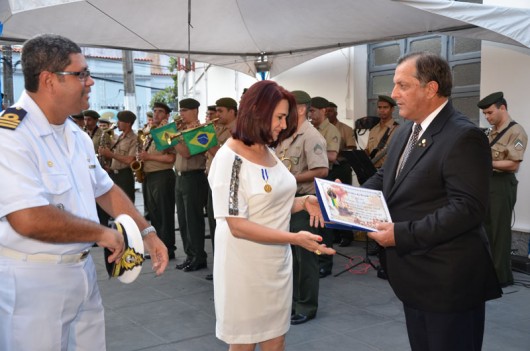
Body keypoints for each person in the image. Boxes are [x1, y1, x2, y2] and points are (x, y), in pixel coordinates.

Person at [0, 33, 168, 351]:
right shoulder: (11, 136)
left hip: (81, 271)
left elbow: (105, 190)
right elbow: (28, 218)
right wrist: (104, 234)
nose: (90, 82)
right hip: (32, 282)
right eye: (82, 74)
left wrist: (147, 230)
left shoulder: (74, 133)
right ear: (49, 80)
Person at [363, 51, 502, 351]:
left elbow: (467, 210)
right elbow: (386, 178)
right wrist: (344, 198)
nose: (393, 94)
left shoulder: (464, 136)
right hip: (415, 278)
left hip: (448, 283)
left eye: (402, 85)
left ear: (431, 88)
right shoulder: (406, 133)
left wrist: (400, 233)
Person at [208, 80, 334, 351]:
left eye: (285, 117)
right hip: (244, 266)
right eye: (278, 117)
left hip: (275, 264)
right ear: (256, 112)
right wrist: (294, 238)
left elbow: (269, 203)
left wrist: (302, 202)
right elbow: (238, 225)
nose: (282, 124)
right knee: (244, 342)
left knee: (276, 340)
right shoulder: (230, 158)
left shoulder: (268, 151)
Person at [275, 90, 329, 326]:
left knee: (305, 258)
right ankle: (294, 302)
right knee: (290, 258)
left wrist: (291, 178)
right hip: (287, 202)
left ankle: (306, 306)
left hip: (306, 202)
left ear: (300, 109)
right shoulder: (287, 135)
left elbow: (321, 171)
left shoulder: (311, 136)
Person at [478, 91, 527, 287]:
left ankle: (501, 277)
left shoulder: (516, 132)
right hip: (486, 183)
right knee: (485, 230)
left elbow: (514, 164)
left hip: (501, 184)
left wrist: (487, 162)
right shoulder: (491, 132)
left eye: (490, 112)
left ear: (502, 108)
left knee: (499, 231)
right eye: (485, 114)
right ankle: (487, 271)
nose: (488, 117)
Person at [204, 97, 238, 281]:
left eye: (221, 111)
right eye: (216, 111)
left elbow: (224, 156)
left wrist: (207, 143)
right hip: (215, 180)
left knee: (226, 225)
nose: (217, 115)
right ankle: (219, 264)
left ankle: (226, 265)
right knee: (214, 223)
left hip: (228, 183)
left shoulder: (237, 130)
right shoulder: (217, 129)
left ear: (232, 111)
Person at [174, 98, 208, 272]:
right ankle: (189, 255)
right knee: (183, 220)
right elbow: (167, 151)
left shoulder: (201, 131)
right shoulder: (182, 130)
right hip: (180, 177)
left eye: (185, 111)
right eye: (180, 111)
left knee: (193, 220)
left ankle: (199, 256)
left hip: (194, 177)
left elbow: (187, 153)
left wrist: (172, 138)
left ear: (195, 111)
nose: (181, 114)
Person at [138, 101, 177, 259]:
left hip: (162, 176)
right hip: (150, 176)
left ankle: (168, 249)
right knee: (153, 215)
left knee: (164, 216)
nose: (156, 114)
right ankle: (158, 248)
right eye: (154, 111)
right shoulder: (150, 132)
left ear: (167, 116)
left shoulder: (167, 131)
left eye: (160, 112)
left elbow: (170, 158)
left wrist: (148, 156)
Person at [309, 96, 341, 278]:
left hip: (325, 178)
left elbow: (332, 155)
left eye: (313, 111)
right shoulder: (312, 130)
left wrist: (311, 152)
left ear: (323, 111)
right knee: (313, 223)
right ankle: (315, 257)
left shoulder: (330, 130)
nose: (310, 114)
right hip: (311, 178)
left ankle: (325, 263)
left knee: (324, 225)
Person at [326, 101, 357, 247]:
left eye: (331, 111)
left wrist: (336, 157)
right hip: (327, 169)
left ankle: (347, 235)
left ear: (336, 112)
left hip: (341, 169)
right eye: (326, 111)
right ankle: (335, 235)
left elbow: (351, 151)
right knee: (331, 201)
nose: (328, 114)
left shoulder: (346, 129)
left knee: (343, 203)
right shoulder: (321, 130)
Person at [99, 110, 138, 203]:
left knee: (126, 204)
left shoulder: (134, 138)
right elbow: (116, 157)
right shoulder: (119, 137)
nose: (117, 123)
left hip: (125, 176)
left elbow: (130, 160)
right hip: (114, 175)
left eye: (120, 121)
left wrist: (110, 154)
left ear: (128, 123)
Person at [365, 95, 400, 169]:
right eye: (379, 107)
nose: (382, 110)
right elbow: (368, 150)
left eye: (385, 107)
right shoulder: (373, 129)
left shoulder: (398, 130)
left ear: (392, 109)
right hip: (372, 170)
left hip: (388, 170)